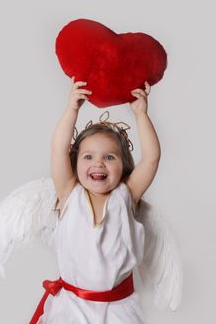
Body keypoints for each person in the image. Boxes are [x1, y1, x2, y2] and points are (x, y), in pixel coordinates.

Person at [31, 76, 161, 324]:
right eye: (88, 157)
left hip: (117, 310)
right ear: (75, 162)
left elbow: (152, 158)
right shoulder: (69, 194)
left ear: (123, 166)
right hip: (71, 307)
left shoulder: (127, 196)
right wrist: (72, 109)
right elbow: (58, 149)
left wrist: (141, 115)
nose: (98, 163)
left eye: (110, 157)